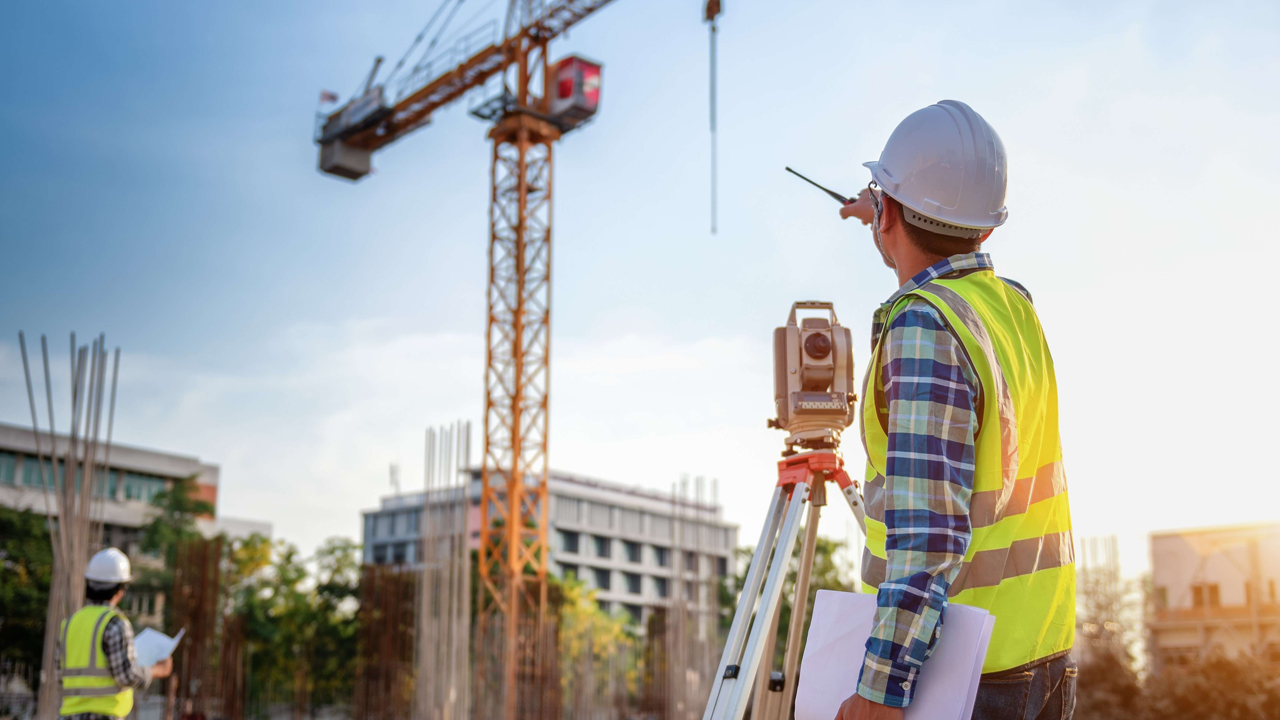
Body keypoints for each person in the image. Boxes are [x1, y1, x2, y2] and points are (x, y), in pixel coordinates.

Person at [834, 100, 1076, 720]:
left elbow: (928, 536)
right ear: (987, 227)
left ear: (887, 212)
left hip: (963, 678)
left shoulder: (926, 327)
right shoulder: (1010, 306)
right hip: (1041, 655)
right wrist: (886, 213)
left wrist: (879, 690)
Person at [60, 547, 173, 720]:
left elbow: (60, 676)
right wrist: (157, 670)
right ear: (121, 589)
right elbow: (126, 675)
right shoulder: (114, 623)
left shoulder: (69, 624)